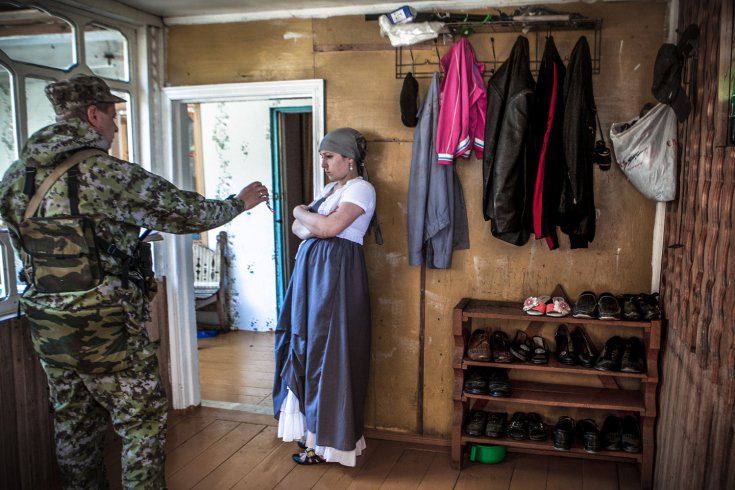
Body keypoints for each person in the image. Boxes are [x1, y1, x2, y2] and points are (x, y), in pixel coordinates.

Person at [0, 74, 269, 489]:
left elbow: (27, 246)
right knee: (141, 421)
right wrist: (238, 203)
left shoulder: (16, 176)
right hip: (106, 325)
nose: (114, 126)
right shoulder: (104, 172)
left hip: (47, 325)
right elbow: (186, 213)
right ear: (93, 114)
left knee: (74, 424)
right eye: (113, 116)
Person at [273, 127, 378, 466]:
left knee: (331, 353)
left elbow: (329, 228)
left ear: (350, 158)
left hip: (335, 277)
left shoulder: (361, 189)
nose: (324, 163)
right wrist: (309, 219)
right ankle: (312, 438)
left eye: (329, 156)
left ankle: (331, 442)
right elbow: (301, 230)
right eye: (322, 157)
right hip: (314, 277)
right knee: (308, 347)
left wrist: (299, 210)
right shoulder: (331, 190)